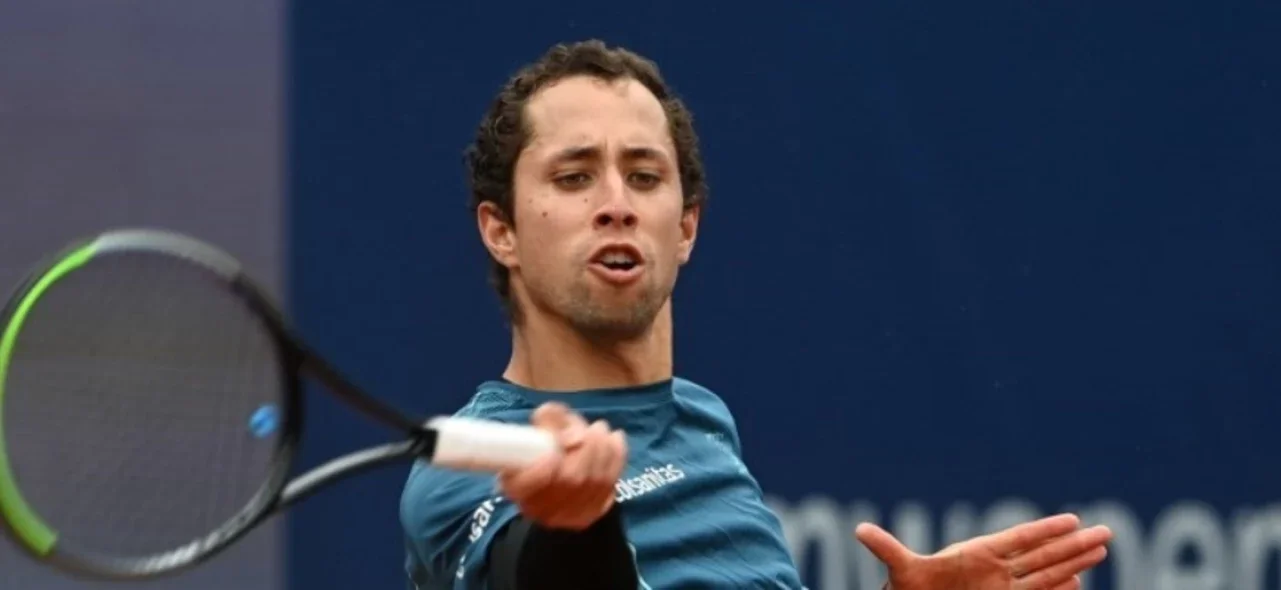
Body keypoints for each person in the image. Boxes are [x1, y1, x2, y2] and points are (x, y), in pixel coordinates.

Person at [400, 39, 1114, 590]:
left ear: (684, 228)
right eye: (574, 176)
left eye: (645, 177)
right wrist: (569, 526)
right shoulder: (467, 468)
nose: (615, 202)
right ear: (501, 231)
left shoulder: (702, 421)